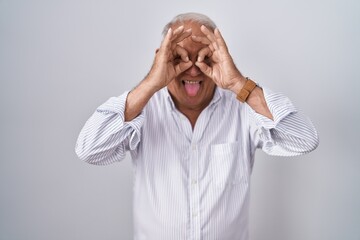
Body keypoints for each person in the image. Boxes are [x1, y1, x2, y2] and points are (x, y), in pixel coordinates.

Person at [75, 12, 319, 240]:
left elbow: (304, 139)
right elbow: (89, 149)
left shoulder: (241, 109)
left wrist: (238, 83)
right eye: (179, 58)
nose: (192, 69)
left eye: (204, 57)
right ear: (161, 57)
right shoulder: (143, 109)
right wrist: (151, 82)